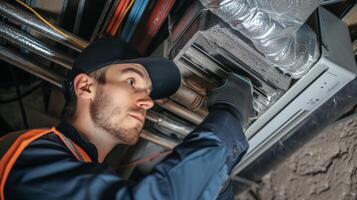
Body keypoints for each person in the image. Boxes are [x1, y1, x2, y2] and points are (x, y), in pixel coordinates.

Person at [0, 37, 253, 199]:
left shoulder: (81, 168)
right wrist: (227, 120)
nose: (147, 101)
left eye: (148, 91)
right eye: (132, 81)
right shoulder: (28, 153)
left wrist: (215, 181)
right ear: (85, 87)